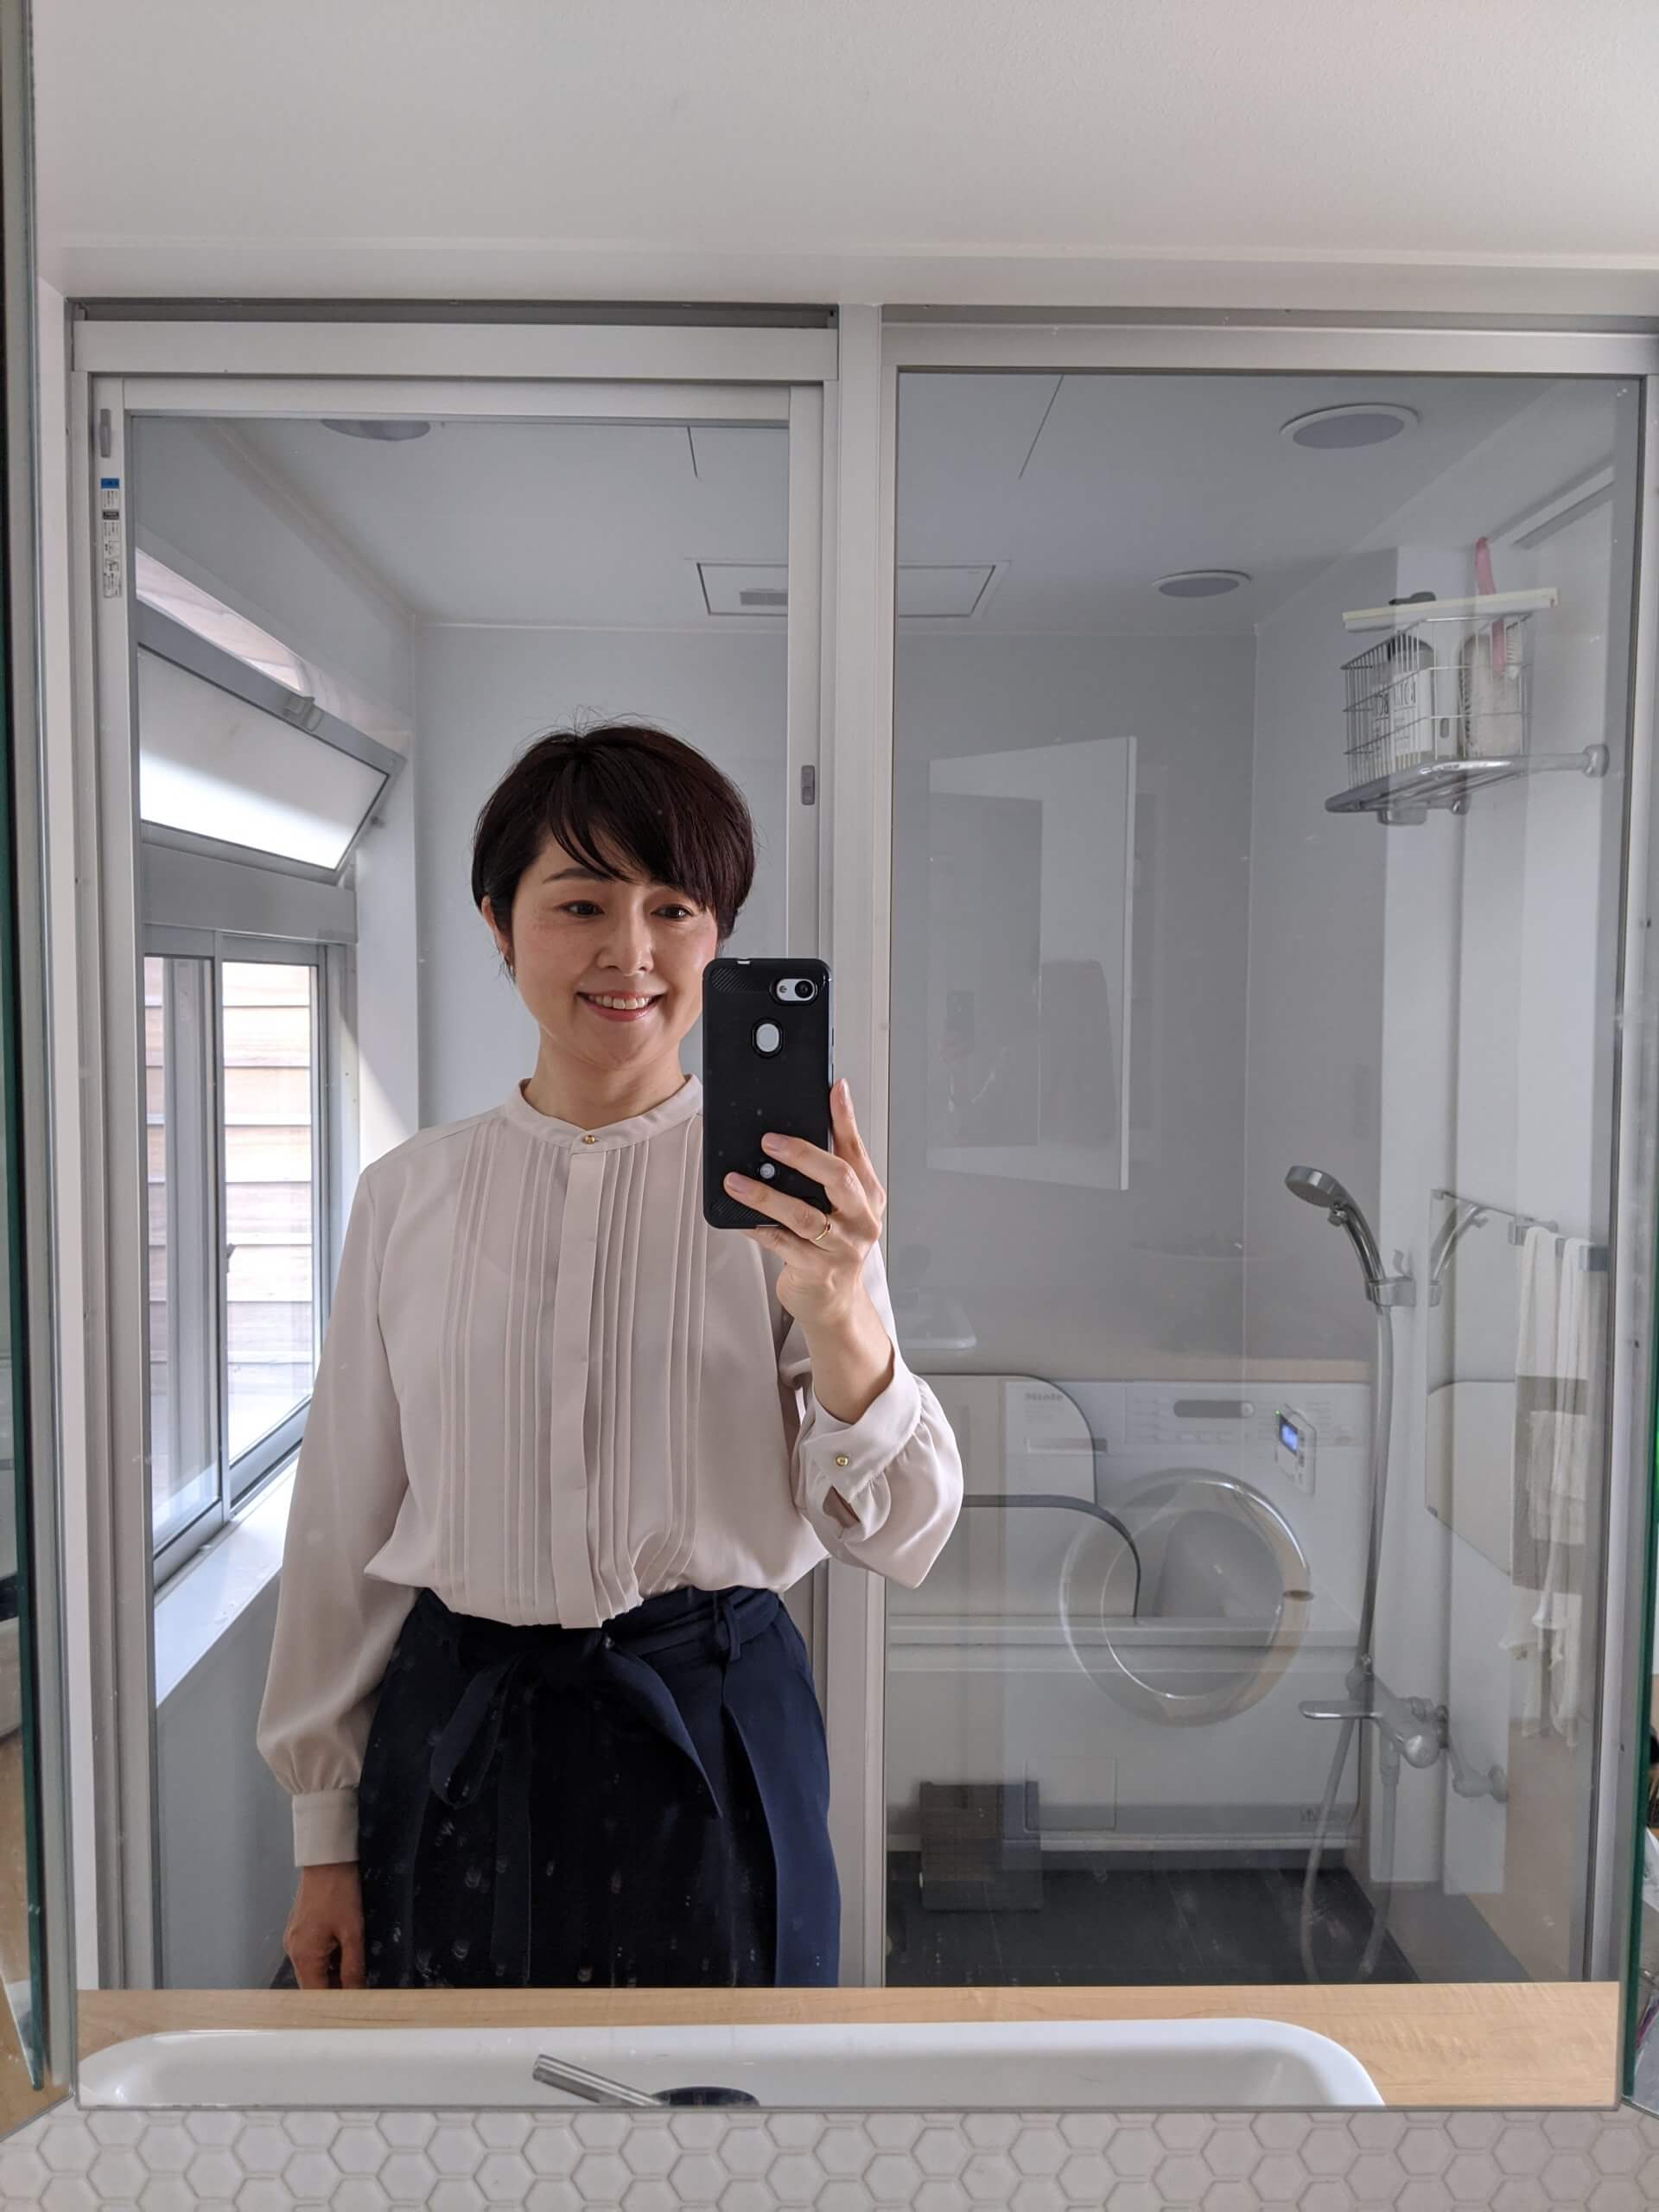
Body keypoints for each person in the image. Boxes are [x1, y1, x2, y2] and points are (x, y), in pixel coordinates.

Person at [256, 721, 964, 1991]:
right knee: (459, 2100)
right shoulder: (408, 1196)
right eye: (580, 903)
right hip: (462, 1727)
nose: (629, 952)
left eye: (672, 908)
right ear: (499, 924)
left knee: (727, 2100)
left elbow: (900, 1530)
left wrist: (844, 1308)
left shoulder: (794, 1202)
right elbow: (339, 1522)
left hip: (716, 1724)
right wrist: (323, 1839)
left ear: (718, 937)